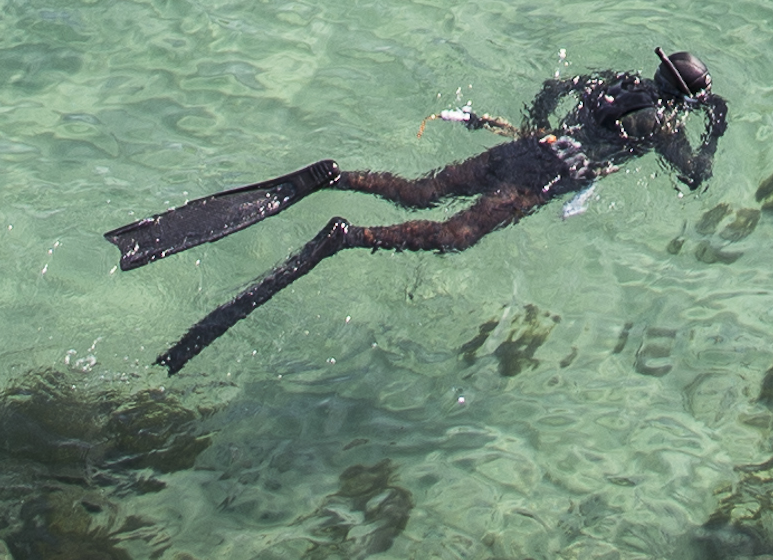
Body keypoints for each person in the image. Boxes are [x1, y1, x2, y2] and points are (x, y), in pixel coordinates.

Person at [107, 52, 726, 372]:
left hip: (518, 151)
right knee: (454, 236)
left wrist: (537, 127)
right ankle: (348, 238)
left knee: (420, 191)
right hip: (538, 183)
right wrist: (715, 131)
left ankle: (334, 177)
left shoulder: (612, 82)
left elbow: (556, 84)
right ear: (687, 97)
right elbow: (695, 180)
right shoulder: (660, 124)